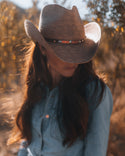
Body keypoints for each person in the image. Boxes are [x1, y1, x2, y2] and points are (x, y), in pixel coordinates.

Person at [7, 4, 113, 156]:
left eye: (77, 52)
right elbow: (27, 141)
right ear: (43, 49)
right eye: (64, 53)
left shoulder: (95, 93)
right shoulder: (36, 87)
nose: (74, 61)